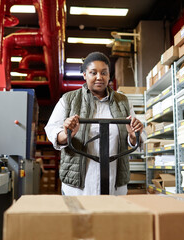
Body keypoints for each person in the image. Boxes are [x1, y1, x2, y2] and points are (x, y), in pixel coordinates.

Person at [45, 51, 146, 195]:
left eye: (104, 73)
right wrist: (66, 134)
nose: (99, 77)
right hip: (79, 186)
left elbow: (134, 138)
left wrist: (134, 135)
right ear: (85, 75)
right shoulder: (69, 100)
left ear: (109, 75)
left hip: (113, 182)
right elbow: (52, 130)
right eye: (93, 73)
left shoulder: (122, 102)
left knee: (110, 216)